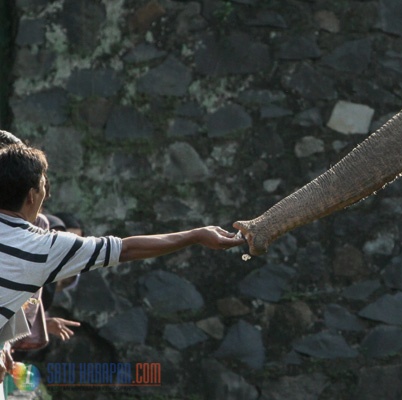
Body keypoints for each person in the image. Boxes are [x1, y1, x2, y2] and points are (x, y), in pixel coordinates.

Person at [0, 142, 245, 387]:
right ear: (32, 196)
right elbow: (126, 248)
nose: (46, 196)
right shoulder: (41, 247)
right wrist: (196, 235)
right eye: (44, 187)